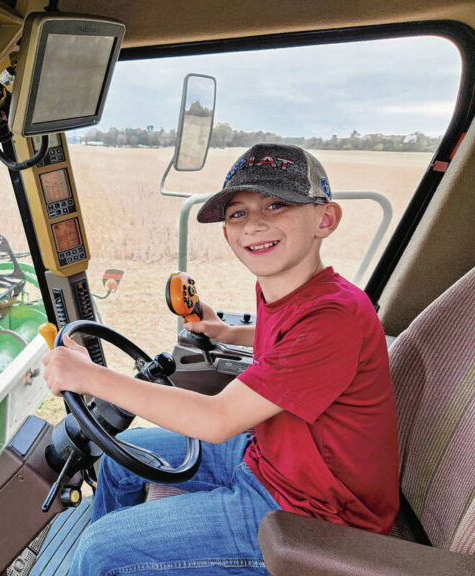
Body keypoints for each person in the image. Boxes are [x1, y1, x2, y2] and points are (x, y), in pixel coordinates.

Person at [41, 143, 399, 575]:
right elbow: (287, 342)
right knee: (119, 459)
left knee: (100, 550)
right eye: (238, 213)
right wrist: (228, 334)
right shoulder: (288, 288)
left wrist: (90, 377)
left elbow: (216, 420)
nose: (254, 224)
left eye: (277, 204)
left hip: (312, 513)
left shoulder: (335, 316)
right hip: (269, 457)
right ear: (227, 231)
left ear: (325, 219)